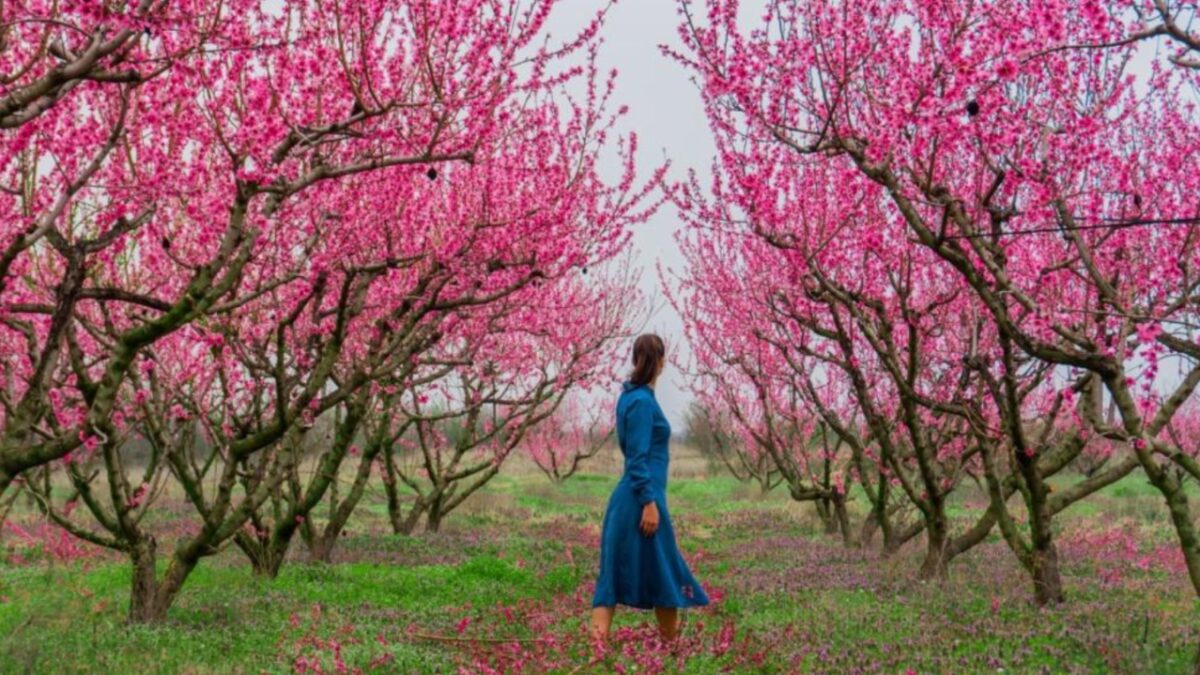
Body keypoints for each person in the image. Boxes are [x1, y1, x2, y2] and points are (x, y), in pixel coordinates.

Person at [590, 333, 709, 642]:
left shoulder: (630, 397)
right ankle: (670, 651)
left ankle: (599, 653)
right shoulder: (642, 401)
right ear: (661, 362)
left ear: (634, 359)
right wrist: (649, 501)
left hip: (629, 499)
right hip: (641, 500)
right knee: (663, 570)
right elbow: (638, 459)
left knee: (627, 574)